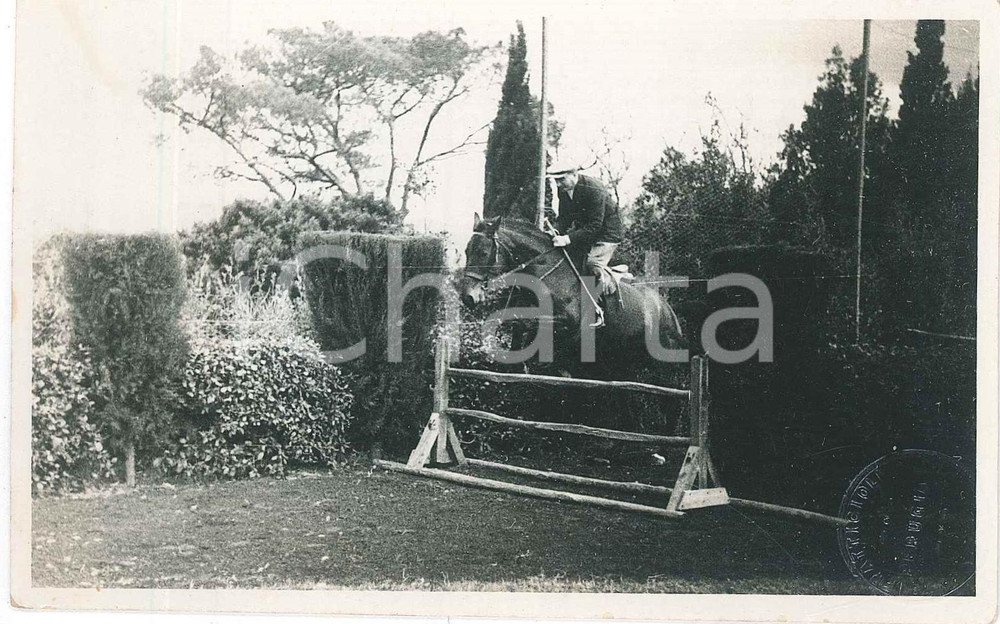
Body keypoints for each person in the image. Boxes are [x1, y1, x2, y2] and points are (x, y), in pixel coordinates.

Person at [546, 162, 624, 326]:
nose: (558, 184)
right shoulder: (563, 190)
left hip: (607, 233)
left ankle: (598, 311)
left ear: (574, 174)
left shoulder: (594, 188)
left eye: (561, 179)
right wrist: (556, 232)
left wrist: (567, 239)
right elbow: (564, 218)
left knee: (591, 265)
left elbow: (595, 225)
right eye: (555, 180)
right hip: (586, 232)